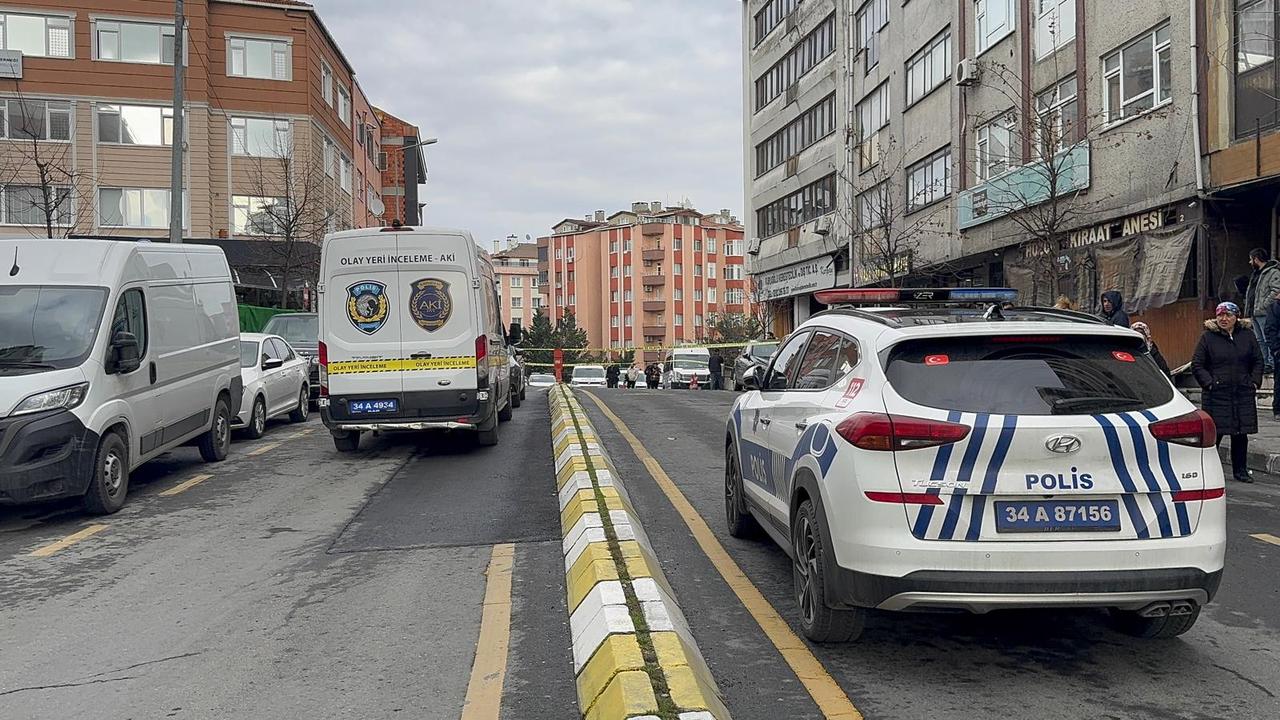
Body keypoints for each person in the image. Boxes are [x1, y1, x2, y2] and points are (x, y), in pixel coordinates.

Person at [1192, 302, 1264, 483]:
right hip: (1217, 394)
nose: (1224, 319)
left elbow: (1258, 361)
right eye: (1220, 315)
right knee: (1214, 434)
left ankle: (1240, 470)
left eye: (1228, 315)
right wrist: (1209, 383)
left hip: (1242, 392)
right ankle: (1208, 472)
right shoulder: (1208, 337)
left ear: (1236, 317)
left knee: (1240, 433)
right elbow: (1197, 364)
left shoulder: (1247, 336)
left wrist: (1254, 381)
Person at [1244, 248, 1280, 373]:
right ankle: (1265, 362)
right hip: (1254, 311)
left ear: (1256, 259)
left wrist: (1264, 305)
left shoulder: (1273, 272)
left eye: (1251, 259)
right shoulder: (1256, 273)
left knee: (1268, 337)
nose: (1249, 262)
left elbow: (1276, 291)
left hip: (1265, 312)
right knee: (1259, 339)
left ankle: (1272, 362)